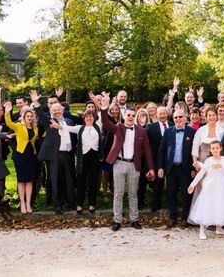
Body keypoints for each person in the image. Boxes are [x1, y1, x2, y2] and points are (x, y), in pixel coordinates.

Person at [96, 93, 155, 231]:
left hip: (134, 165)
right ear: (124, 117)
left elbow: (147, 150)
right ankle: (117, 221)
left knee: (133, 194)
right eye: (128, 115)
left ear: (135, 118)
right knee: (118, 193)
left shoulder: (141, 131)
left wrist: (151, 168)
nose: (130, 117)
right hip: (119, 163)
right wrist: (104, 108)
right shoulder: (118, 128)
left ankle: (134, 220)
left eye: (132, 115)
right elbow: (105, 122)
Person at [187, 140, 224, 239]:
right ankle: (202, 230)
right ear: (210, 150)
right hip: (210, 186)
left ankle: (219, 229)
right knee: (206, 207)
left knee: (220, 206)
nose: (215, 150)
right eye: (213, 148)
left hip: (223, 187)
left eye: (217, 148)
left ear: (221, 148)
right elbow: (201, 173)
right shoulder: (208, 161)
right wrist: (192, 185)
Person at [31, 90, 76, 214]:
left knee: (69, 179)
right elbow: (40, 112)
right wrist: (35, 101)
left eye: (58, 110)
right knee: (55, 180)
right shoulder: (49, 122)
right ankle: (57, 205)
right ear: (51, 112)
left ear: (62, 110)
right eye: (54, 110)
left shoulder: (69, 121)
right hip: (54, 155)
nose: (56, 112)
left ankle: (71, 202)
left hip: (68, 154)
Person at [157, 109, 195, 228]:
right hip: (171, 168)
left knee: (186, 194)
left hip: (186, 168)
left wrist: (194, 168)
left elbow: (194, 151)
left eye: (180, 117)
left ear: (185, 118)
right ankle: (172, 217)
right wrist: (160, 167)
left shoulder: (192, 132)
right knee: (171, 193)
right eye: (175, 117)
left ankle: (185, 218)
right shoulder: (168, 132)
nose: (178, 119)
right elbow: (162, 151)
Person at [61, 110, 103, 214]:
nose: (89, 118)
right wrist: (58, 126)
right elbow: (67, 128)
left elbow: (104, 115)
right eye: (87, 116)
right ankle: (79, 204)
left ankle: (92, 204)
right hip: (83, 157)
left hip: (95, 157)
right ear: (83, 118)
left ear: (94, 117)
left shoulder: (98, 126)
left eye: (91, 116)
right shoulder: (80, 128)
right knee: (81, 181)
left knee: (93, 181)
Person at [3, 102, 41, 214]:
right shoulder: (19, 126)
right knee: (22, 180)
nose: (29, 117)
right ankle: (22, 204)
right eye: (27, 116)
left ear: (33, 117)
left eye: (31, 116)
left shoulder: (35, 128)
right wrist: (7, 112)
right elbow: (9, 123)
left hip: (31, 156)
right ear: (24, 117)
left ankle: (29, 203)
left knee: (30, 181)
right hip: (20, 156)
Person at [143, 106, 171, 212]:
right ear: (157, 115)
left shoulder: (173, 125)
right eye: (160, 114)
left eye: (164, 113)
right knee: (157, 184)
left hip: (170, 160)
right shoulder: (151, 127)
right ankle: (156, 204)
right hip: (156, 159)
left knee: (171, 183)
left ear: (167, 114)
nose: (162, 116)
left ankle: (170, 203)